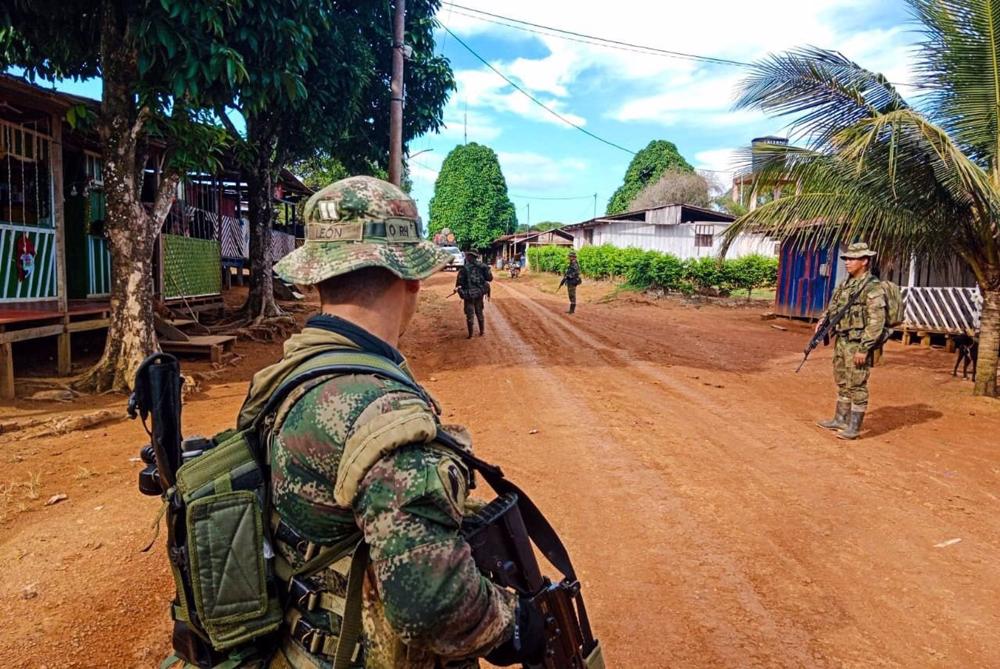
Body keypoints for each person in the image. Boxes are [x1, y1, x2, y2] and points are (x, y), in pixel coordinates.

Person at [247, 176, 543, 668]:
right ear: (411, 279)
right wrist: (515, 625)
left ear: (318, 280)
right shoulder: (380, 412)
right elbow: (433, 605)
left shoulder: (289, 374)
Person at [815, 242, 887, 440]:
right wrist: (823, 320)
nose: (847, 262)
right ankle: (840, 419)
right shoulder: (845, 284)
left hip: (858, 343)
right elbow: (833, 307)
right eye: (846, 259)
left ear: (864, 261)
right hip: (842, 339)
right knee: (842, 380)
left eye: (852, 259)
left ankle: (854, 428)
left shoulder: (872, 287)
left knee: (857, 383)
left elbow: (876, 322)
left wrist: (864, 348)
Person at [456, 249, 492, 338]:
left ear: (470, 257)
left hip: (468, 295)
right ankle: (482, 332)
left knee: (470, 314)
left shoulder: (464, 269)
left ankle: (470, 335)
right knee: (479, 312)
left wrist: (459, 290)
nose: (467, 257)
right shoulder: (483, 267)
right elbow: (489, 278)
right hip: (479, 293)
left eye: (467, 255)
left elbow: (459, 283)